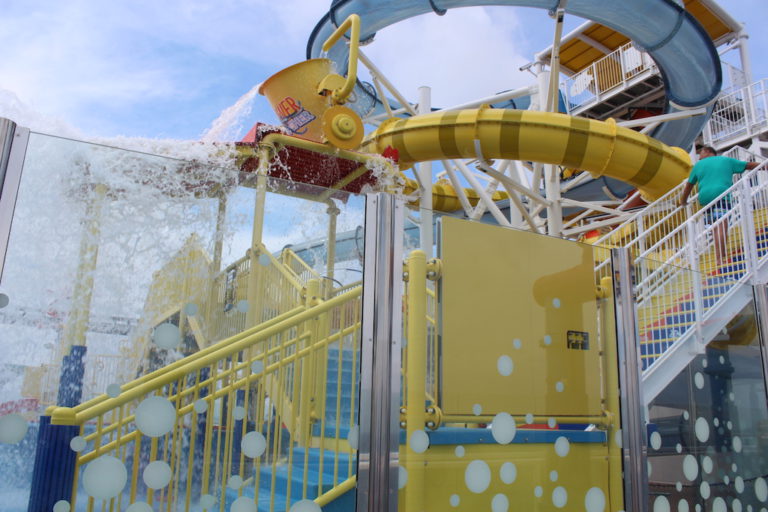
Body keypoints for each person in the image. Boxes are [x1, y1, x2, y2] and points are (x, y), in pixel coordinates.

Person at [678, 146, 761, 269]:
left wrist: (683, 201)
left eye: (700, 153)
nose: (699, 156)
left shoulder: (698, 166)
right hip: (721, 195)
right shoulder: (725, 160)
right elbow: (749, 165)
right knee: (721, 226)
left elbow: (689, 186)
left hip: (705, 198)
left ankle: (719, 256)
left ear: (708, 152)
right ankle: (720, 258)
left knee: (715, 227)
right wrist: (764, 166)